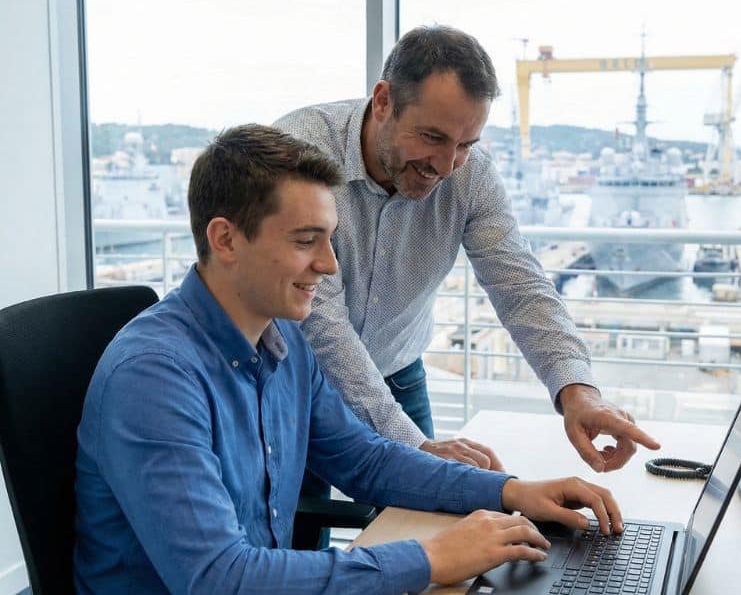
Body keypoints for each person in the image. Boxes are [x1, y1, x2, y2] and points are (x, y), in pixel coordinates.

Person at [74, 124, 623, 594]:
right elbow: (219, 577)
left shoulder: (283, 347)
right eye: (306, 240)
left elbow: (368, 462)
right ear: (225, 239)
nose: (331, 265)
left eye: (331, 239)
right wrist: (432, 558)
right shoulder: (155, 376)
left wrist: (511, 492)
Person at [273, 25, 661, 473]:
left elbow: (519, 283)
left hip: (395, 369)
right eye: (433, 137)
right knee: (297, 529)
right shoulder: (299, 153)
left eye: (466, 144)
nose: (445, 165)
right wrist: (414, 445)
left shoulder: (470, 175)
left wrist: (578, 391)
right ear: (383, 102)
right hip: (288, 377)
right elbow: (320, 323)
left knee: (425, 513)